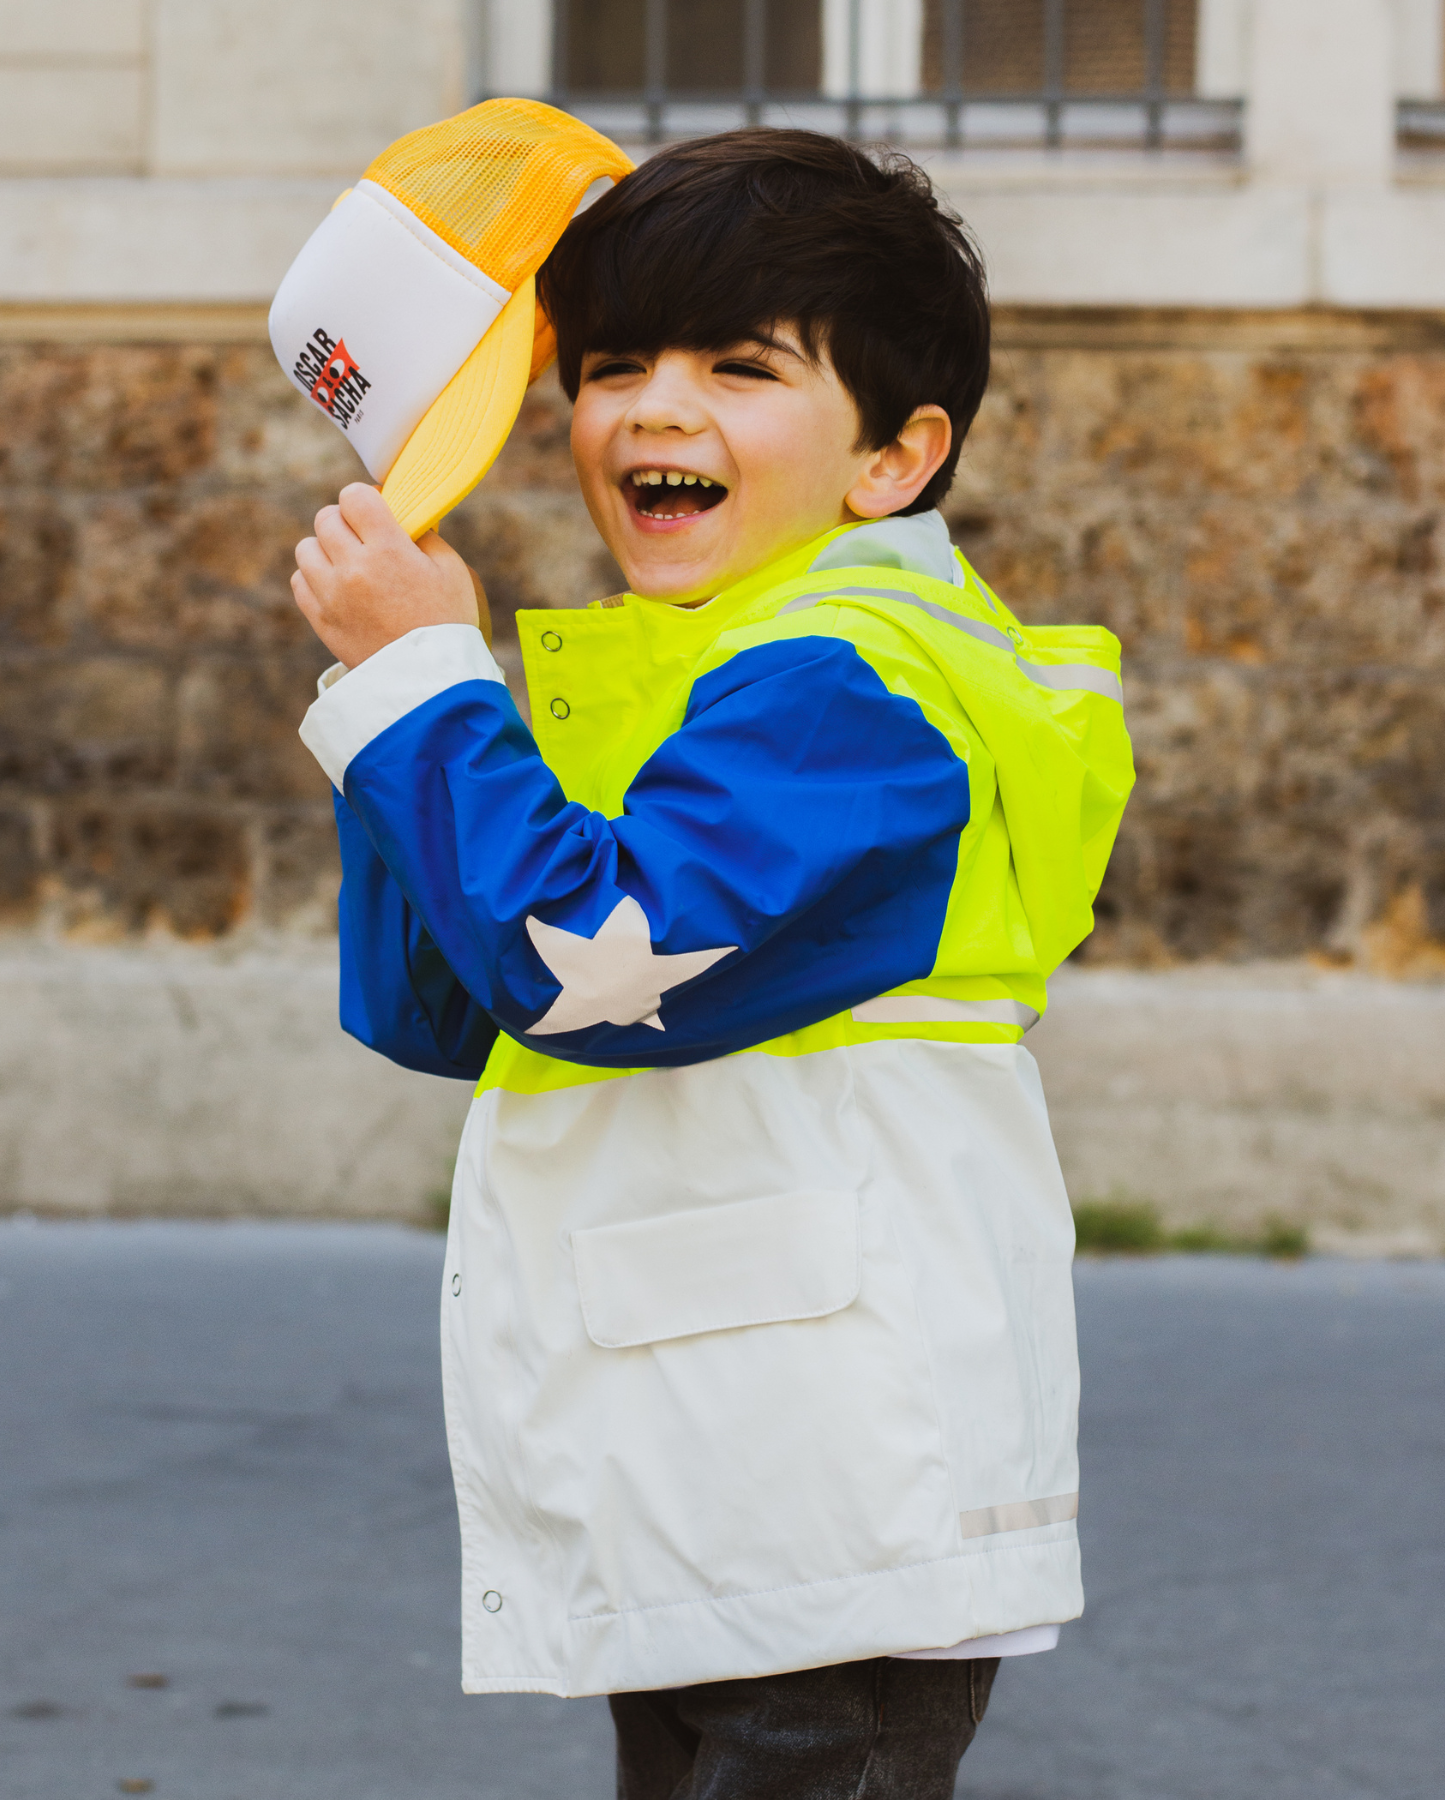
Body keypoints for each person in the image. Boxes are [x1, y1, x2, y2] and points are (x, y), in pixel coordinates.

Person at [290, 128, 1134, 1800]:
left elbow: (579, 976)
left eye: (739, 369)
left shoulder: (846, 686)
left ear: (895, 459)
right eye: (612, 368)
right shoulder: (701, 680)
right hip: (721, 1486)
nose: (654, 411)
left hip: (830, 1498)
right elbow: (442, 1006)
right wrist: (415, 706)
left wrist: (425, 696)